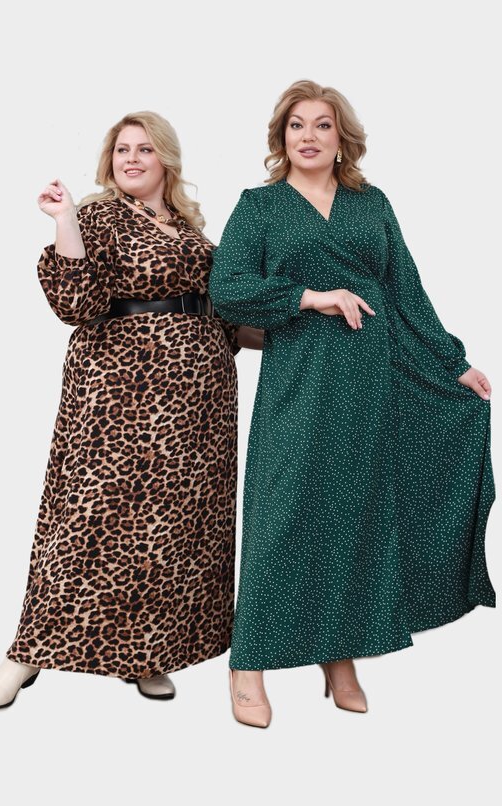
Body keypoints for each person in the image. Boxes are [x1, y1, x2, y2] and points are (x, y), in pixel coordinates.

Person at [209, 80, 495, 728]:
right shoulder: (259, 206)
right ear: (281, 138)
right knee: (283, 517)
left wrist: (453, 363)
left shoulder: (372, 203)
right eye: (296, 126)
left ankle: (339, 654)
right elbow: (228, 288)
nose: (308, 136)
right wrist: (310, 297)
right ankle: (247, 664)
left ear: (342, 139)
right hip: (302, 378)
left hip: (375, 377)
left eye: (322, 125)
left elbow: (405, 290)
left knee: (352, 517)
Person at [0, 111, 262, 710]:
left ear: (166, 160)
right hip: (119, 395)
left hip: (198, 406)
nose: (132, 158)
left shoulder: (188, 227)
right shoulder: (98, 216)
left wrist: (308, 325)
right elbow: (76, 303)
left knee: (174, 530)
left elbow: (225, 314)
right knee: (87, 521)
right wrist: (63, 219)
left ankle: (147, 652)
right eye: (122, 149)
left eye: (145, 149)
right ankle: (27, 653)